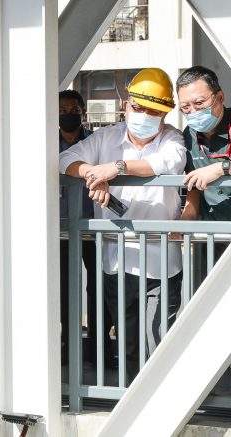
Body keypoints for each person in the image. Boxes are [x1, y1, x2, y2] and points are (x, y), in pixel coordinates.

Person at [59, 68, 187, 384]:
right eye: (138, 107)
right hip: (115, 262)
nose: (143, 115)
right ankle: (136, 399)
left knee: (156, 336)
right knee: (128, 342)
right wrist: (93, 174)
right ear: (126, 105)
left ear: (165, 113)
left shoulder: (172, 138)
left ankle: (160, 399)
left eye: (153, 110)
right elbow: (65, 161)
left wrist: (115, 169)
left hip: (160, 261)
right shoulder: (106, 137)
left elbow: (167, 163)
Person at [57, 90, 113, 366]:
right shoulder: (46, 143)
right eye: (63, 109)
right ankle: (68, 345)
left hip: (93, 227)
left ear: (82, 111)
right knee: (64, 289)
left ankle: (99, 346)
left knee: (99, 288)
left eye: (73, 109)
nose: (68, 113)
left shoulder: (95, 141)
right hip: (60, 230)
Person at [171, 66, 230, 269]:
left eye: (199, 103)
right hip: (212, 236)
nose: (193, 112)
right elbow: (193, 187)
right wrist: (187, 217)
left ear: (220, 97)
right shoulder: (188, 136)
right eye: (185, 107)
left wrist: (221, 168)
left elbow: (218, 170)